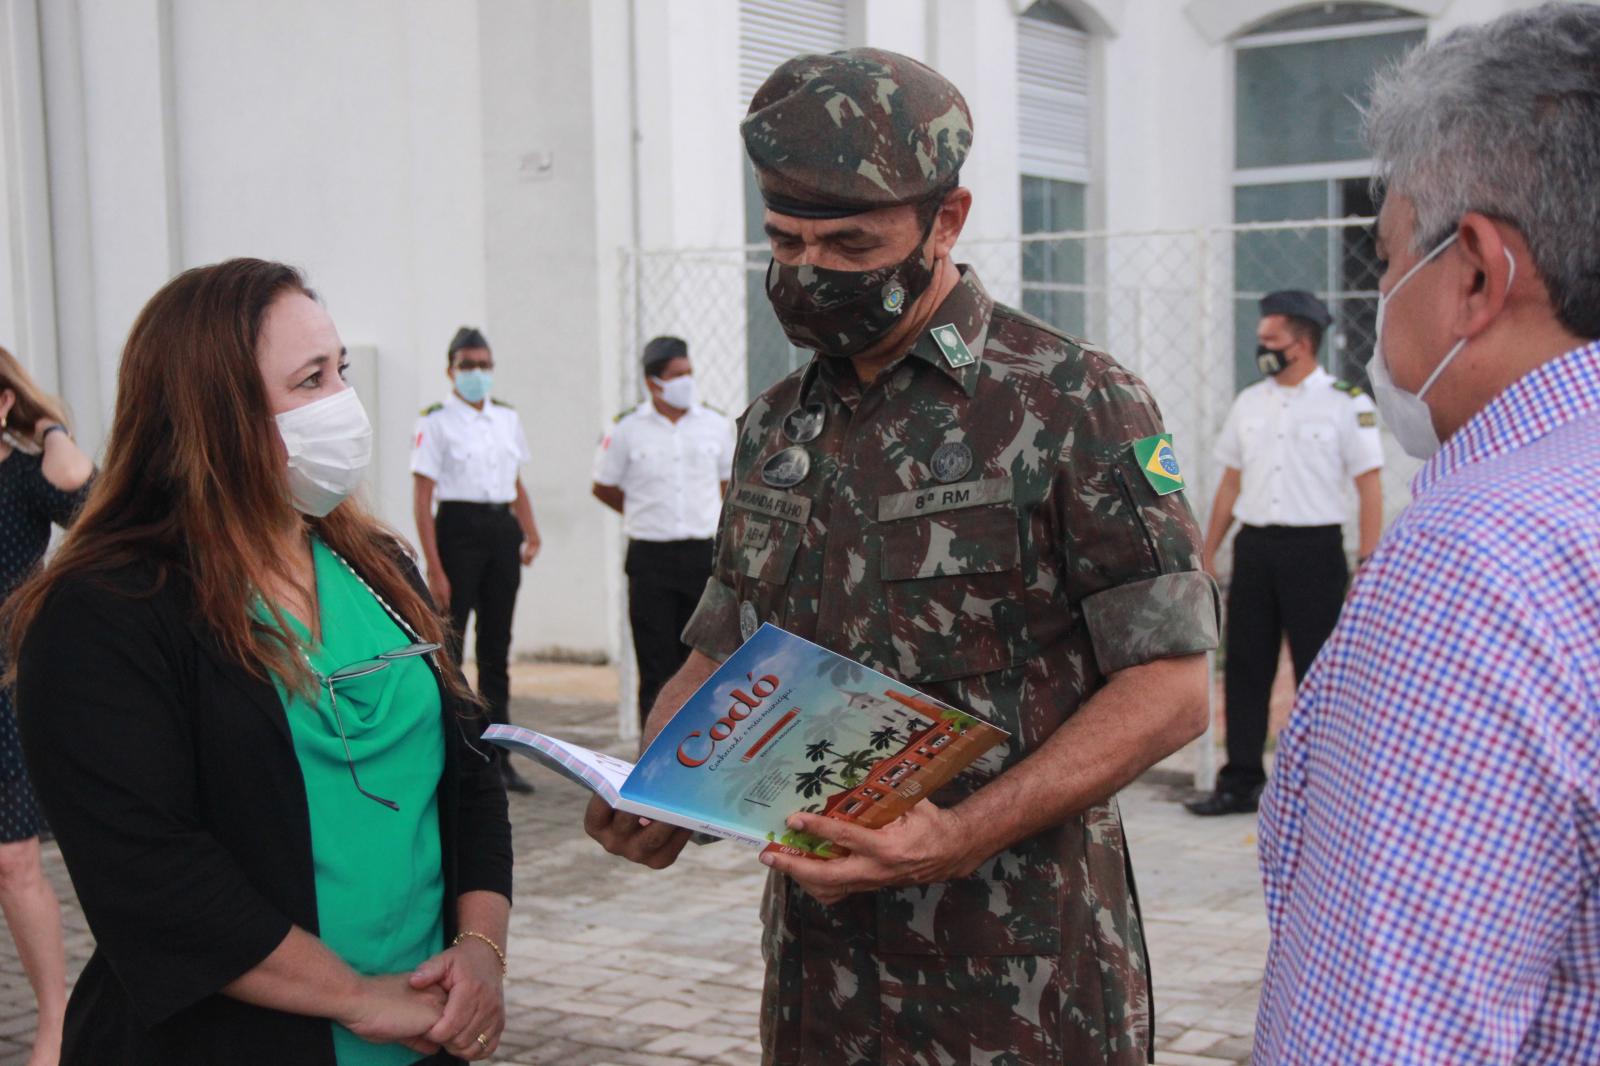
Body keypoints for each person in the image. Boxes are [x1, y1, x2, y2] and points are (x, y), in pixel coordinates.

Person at [586, 48, 1218, 1064]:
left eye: (848, 242)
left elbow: (1173, 686)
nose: (807, 272)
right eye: (783, 239)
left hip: (1021, 980)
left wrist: (961, 832)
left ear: (947, 219)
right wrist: (658, 785)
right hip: (823, 981)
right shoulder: (776, 426)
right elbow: (721, 651)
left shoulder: (1071, 400)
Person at [6, 260, 513, 1064]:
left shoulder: (376, 566)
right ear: (214, 414)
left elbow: (471, 769)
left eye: (340, 370)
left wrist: (482, 949)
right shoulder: (107, 612)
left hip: (422, 1036)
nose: (344, 402)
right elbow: (154, 874)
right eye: (311, 380)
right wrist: (358, 999)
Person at [1255, 5, 1600, 1061]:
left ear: (1478, 276)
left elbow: (1383, 1027)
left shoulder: (1482, 556)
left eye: (1387, 255)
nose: (1379, 294)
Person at [1184, 291, 1383, 816]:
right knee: (1247, 665)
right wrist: (1208, 552)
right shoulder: (1251, 401)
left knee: (1319, 669)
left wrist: (1370, 561)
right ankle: (1241, 779)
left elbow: (1369, 486)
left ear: (1301, 343)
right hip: (1256, 547)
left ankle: (1325, 786)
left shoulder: (1346, 403)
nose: (1262, 349)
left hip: (1314, 549)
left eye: (1270, 341)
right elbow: (1230, 483)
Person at [0, 347, 93, 1066]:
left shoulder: (26, 479)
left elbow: (92, 503)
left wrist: (50, 427)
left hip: (5, 693)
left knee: (13, 864)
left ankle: (56, 1021)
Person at [412, 328, 540, 794]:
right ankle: (456, 748)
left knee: (496, 648)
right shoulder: (436, 421)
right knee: (451, 644)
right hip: (458, 530)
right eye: (468, 365)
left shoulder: (506, 418)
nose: (477, 373)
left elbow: (516, 481)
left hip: (500, 530)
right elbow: (423, 495)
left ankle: (498, 755)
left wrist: (530, 528)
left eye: (484, 365)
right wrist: (434, 564)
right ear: (450, 371)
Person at [591, 336, 734, 725]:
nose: (686, 381)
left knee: (707, 665)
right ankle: (651, 762)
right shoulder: (625, 429)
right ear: (654, 382)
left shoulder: (715, 425)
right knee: (656, 667)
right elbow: (603, 486)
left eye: (689, 373)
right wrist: (643, 512)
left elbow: (726, 486)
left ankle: (702, 759)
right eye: (677, 375)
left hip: (702, 557)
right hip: (650, 558)